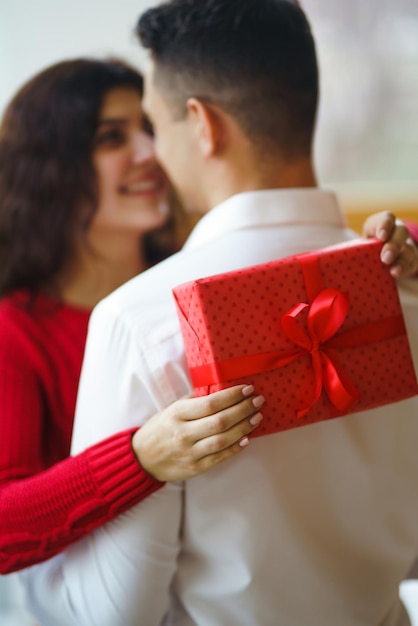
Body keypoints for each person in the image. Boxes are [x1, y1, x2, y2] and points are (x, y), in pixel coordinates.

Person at [21, 3, 418, 625]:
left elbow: (113, 615)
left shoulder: (141, 320)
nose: (151, 152)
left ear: (203, 126)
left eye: (152, 123)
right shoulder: (400, 283)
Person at [0, 57, 269, 577]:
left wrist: (400, 248)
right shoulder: (14, 331)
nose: (150, 154)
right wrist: (141, 459)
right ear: (47, 167)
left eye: (150, 129)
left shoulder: (202, 284)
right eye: (111, 138)